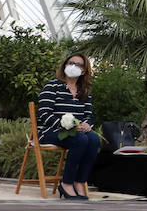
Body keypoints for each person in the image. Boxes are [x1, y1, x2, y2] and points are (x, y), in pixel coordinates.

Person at [37, 52, 102, 200]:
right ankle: (66, 184)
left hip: (75, 132)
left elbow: (88, 115)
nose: (73, 66)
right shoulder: (52, 86)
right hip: (50, 131)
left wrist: (87, 124)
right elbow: (45, 114)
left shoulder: (84, 90)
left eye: (78, 64)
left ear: (84, 70)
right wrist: (67, 127)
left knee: (93, 139)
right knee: (80, 140)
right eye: (70, 62)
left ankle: (79, 182)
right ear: (65, 65)